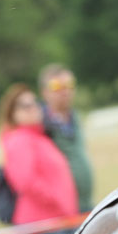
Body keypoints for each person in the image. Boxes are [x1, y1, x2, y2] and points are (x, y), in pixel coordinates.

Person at [0, 84, 79, 234]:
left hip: (56, 218)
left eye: (34, 103)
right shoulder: (19, 140)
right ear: (13, 113)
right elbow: (25, 181)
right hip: (41, 222)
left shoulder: (38, 136)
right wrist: (56, 200)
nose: (33, 108)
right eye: (25, 105)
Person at [39, 64, 94, 213]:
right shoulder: (40, 123)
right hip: (59, 210)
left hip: (85, 203)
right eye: (57, 86)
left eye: (69, 84)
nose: (65, 91)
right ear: (44, 92)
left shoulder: (74, 116)